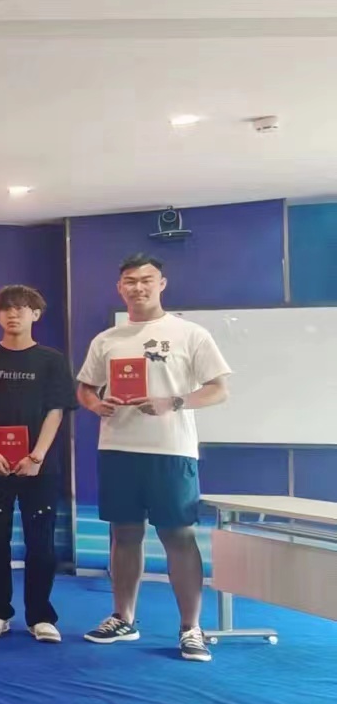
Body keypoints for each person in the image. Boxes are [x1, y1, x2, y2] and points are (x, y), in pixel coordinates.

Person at [75, 254, 230, 662]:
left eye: (147, 279)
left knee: (178, 536)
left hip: (171, 450)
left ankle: (191, 628)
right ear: (119, 288)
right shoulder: (107, 339)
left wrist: (173, 401)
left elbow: (218, 389)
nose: (138, 287)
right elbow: (85, 388)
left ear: (161, 283)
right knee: (124, 535)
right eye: (130, 280)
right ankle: (122, 617)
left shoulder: (189, 333)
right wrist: (95, 404)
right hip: (118, 448)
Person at [0, 286, 76, 642]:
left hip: (39, 468)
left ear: (35, 315)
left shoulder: (52, 360)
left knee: (41, 543)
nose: (13, 314)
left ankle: (41, 616)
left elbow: (56, 410)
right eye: (7, 309)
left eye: (22, 309)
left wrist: (36, 456)